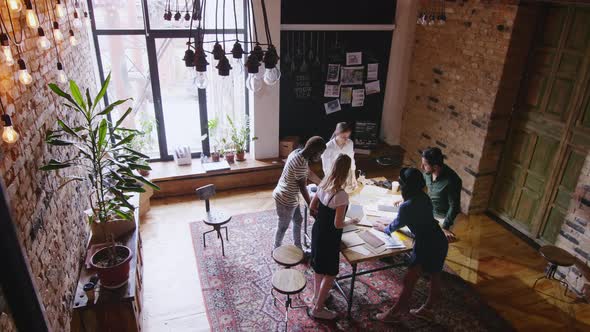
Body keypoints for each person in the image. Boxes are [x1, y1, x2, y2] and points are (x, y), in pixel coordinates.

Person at [373, 167, 449, 323]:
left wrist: (385, 227)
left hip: (425, 244)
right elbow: (411, 217)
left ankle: (394, 314)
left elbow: (396, 224)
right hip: (439, 240)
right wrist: (394, 221)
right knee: (435, 276)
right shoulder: (424, 197)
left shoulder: (407, 206)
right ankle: (427, 309)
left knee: (409, 281)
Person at [309, 154, 359, 320]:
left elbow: (312, 206)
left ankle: (318, 296)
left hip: (317, 231)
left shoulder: (323, 184)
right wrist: (352, 221)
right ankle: (318, 309)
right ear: (346, 173)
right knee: (330, 273)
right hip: (329, 237)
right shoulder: (341, 195)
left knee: (318, 268)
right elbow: (338, 224)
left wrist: (323, 218)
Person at [273, 136, 326, 249]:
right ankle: (276, 248)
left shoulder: (298, 153)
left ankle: (297, 246)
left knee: (298, 219)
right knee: (283, 226)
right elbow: (302, 187)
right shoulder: (300, 164)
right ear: (314, 151)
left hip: (291, 195)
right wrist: (311, 205)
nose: (320, 157)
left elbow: (308, 173)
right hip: (285, 198)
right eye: (320, 153)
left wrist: (322, 184)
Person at [421, 147, 462, 242]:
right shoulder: (427, 172)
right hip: (427, 211)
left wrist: (445, 227)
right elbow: (420, 187)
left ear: (435, 166)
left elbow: (454, 206)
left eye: (425, 165)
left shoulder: (452, 181)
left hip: (441, 218)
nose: (422, 167)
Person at [321, 122, 357, 190]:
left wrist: (353, 177)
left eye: (348, 137)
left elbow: (352, 160)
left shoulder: (350, 143)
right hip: (332, 175)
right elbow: (326, 169)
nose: (346, 140)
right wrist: (332, 182)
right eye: (343, 137)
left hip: (346, 173)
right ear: (337, 134)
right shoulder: (328, 147)